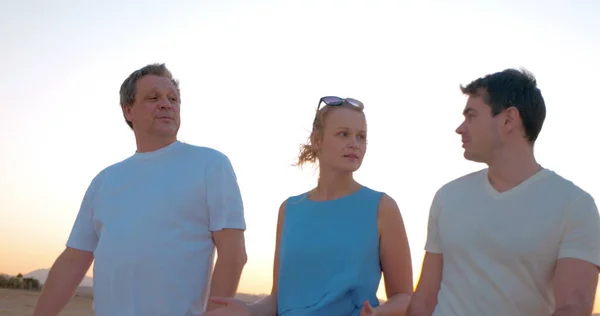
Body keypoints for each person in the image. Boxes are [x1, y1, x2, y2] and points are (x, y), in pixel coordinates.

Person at [33, 63, 248, 316]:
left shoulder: (210, 164)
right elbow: (73, 260)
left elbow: (233, 253)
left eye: (173, 98)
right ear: (128, 110)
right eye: (153, 97)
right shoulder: (105, 180)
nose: (167, 104)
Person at [407, 68, 600, 316]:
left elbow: (572, 308)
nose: (460, 128)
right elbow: (423, 300)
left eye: (471, 116)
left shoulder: (573, 205)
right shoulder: (447, 197)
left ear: (509, 119)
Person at [203, 96, 414, 316]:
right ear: (317, 140)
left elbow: (404, 296)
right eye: (343, 134)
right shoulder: (290, 210)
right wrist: (247, 311)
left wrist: (377, 314)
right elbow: (277, 300)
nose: (354, 143)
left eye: (361, 137)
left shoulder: (381, 207)